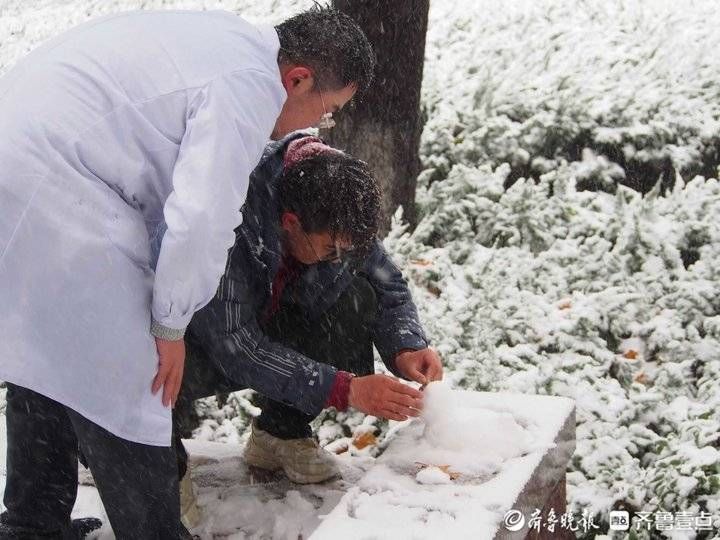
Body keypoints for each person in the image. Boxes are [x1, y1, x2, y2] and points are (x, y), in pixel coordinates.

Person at [0, 6, 374, 539]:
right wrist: (170, 324)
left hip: (20, 159)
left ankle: (31, 523)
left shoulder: (224, 41)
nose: (319, 125)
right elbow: (201, 216)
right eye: (328, 109)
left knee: (47, 354)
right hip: (58, 183)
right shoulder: (248, 88)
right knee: (132, 375)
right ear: (298, 79)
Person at [174, 134, 443, 496]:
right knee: (155, 370)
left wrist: (406, 347)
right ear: (290, 222)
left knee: (356, 296)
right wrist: (343, 388)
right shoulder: (232, 214)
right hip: (187, 342)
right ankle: (157, 466)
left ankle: (278, 434)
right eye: (330, 248)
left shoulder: (338, 200)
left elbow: (386, 284)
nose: (338, 257)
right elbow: (235, 346)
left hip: (260, 329)